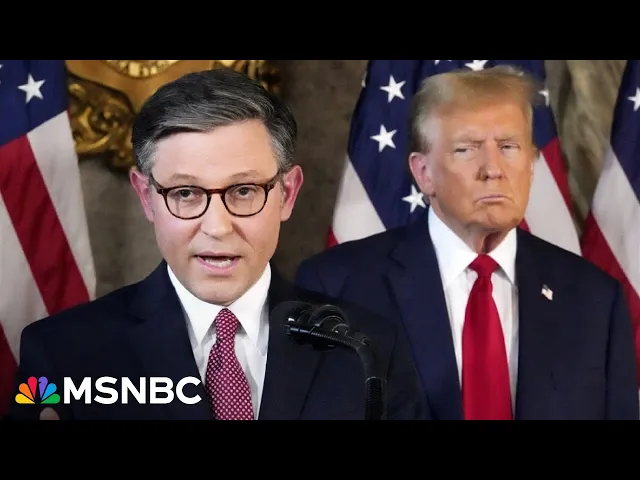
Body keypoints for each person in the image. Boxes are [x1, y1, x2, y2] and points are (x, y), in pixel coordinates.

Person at [5, 68, 427, 420]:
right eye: (186, 193)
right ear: (146, 197)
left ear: (287, 194)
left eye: (243, 191)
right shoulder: (61, 354)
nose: (218, 227)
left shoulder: (366, 347)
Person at [295, 65, 640, 420]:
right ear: (423, 173)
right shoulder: (337, 288)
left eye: (508, 147)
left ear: (532, 165)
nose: (492, 169)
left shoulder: (595, 298)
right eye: (466, 149)